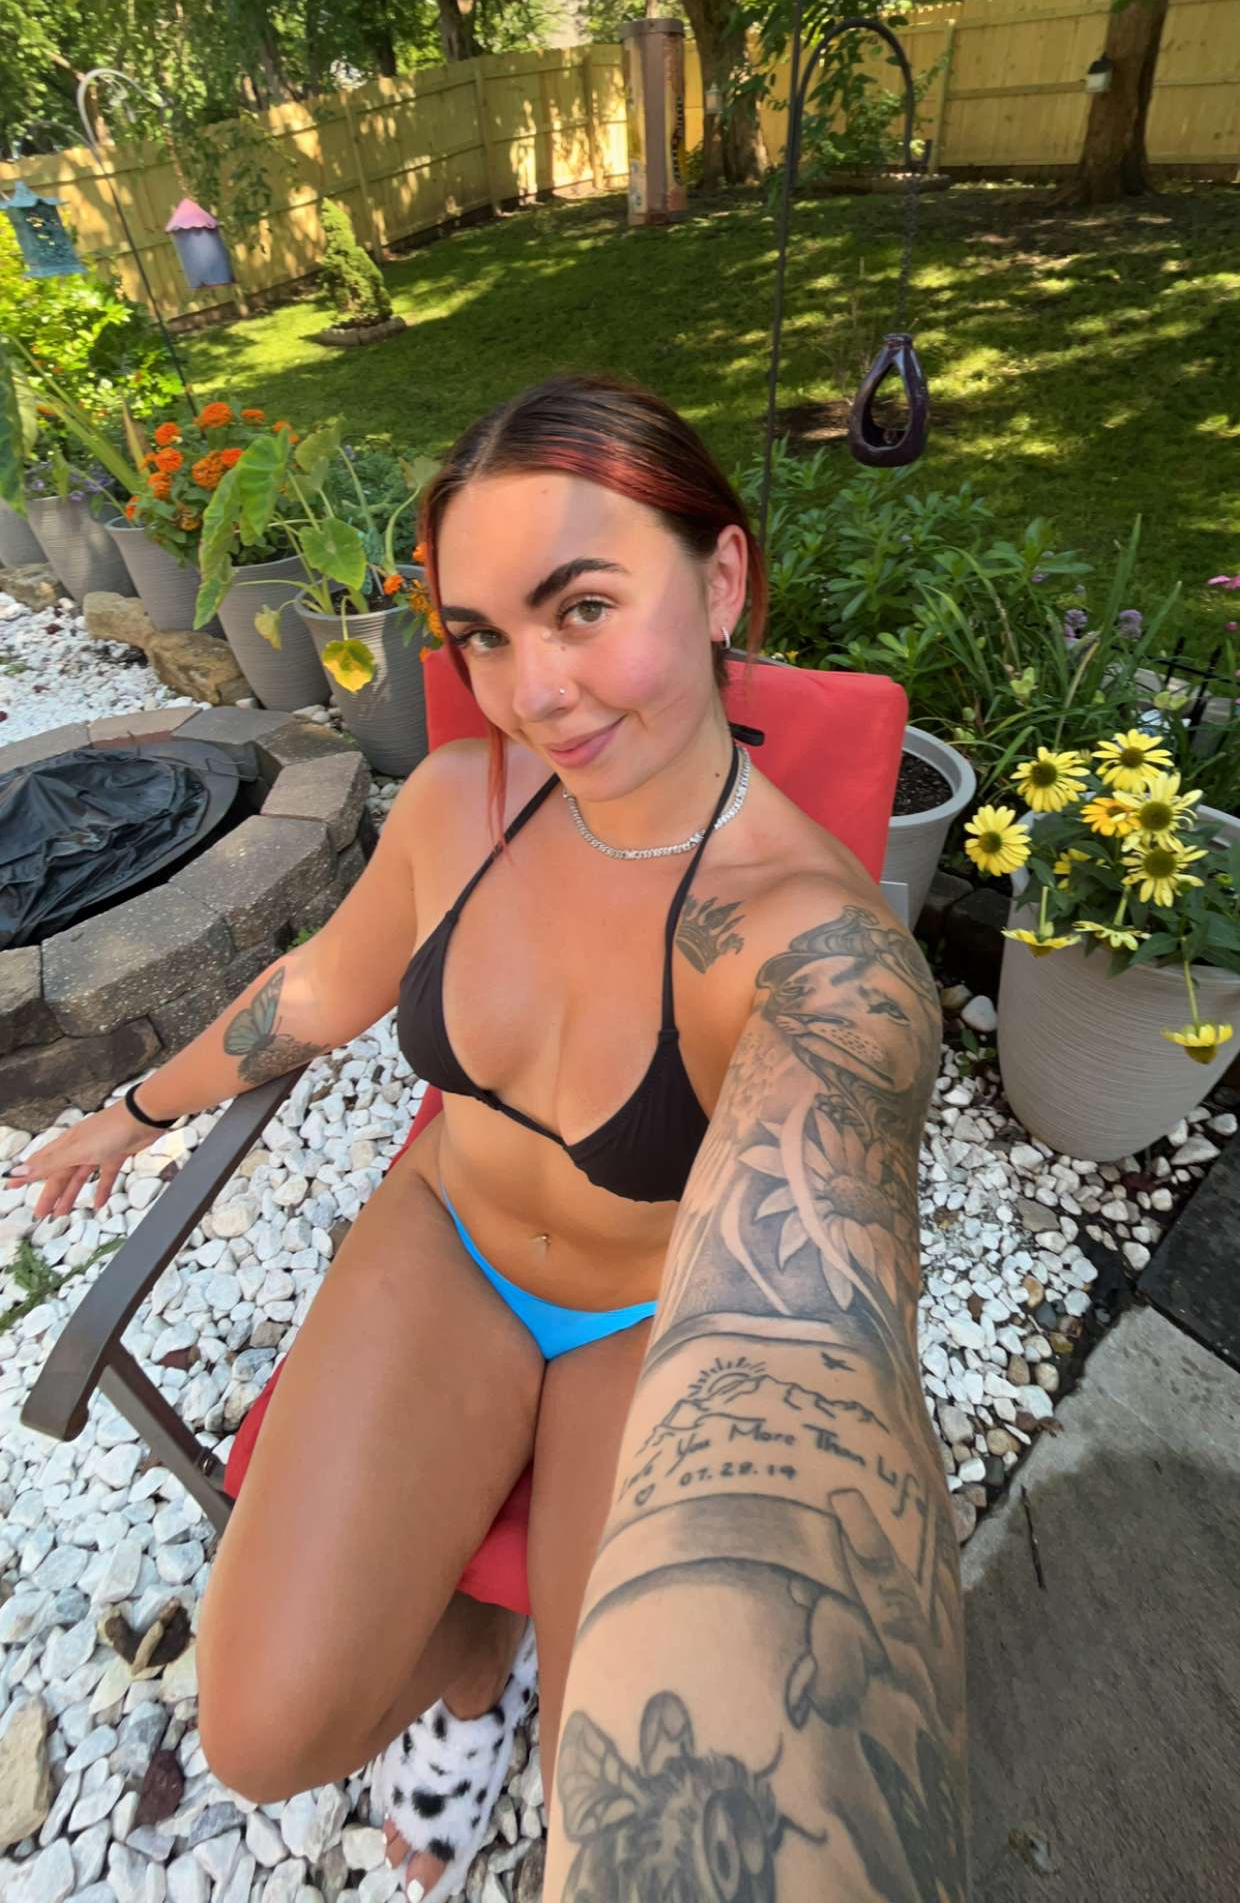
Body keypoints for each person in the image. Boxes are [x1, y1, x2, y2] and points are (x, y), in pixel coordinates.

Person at [11, 374, 967, 1901]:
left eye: (582, 607)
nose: (537, 693)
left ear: (721, 578)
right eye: (484, 636)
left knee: (636, 1801)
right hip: (447, 1240)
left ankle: (504, 1689)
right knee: (260, 1737)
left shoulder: (816, 953)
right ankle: (473, 1672)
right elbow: (311, 995)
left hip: (645, 1321)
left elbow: (827, 1331)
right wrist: (129, 1115)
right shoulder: (461, 800)